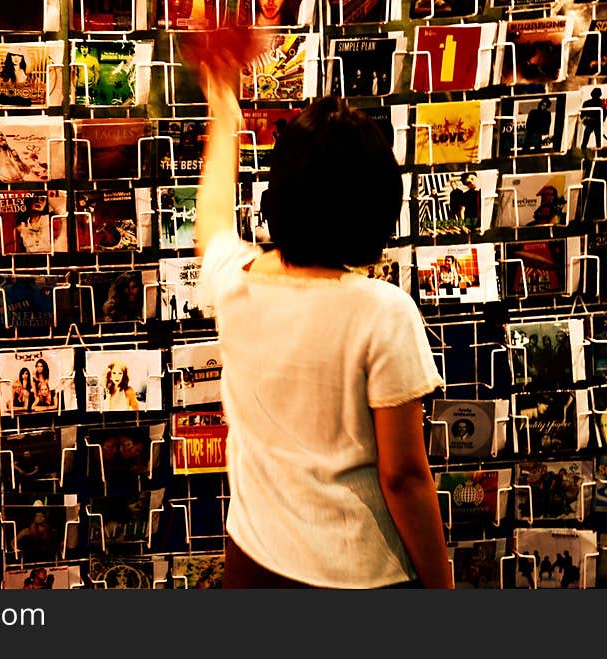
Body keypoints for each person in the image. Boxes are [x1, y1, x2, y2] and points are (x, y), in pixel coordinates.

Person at [192, 38, 451, 589]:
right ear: (376, 208)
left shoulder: (235, 284)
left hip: (253, 562)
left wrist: (225, 108)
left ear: (279, 194)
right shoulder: (383, 313)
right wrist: (442, 586)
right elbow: (404, 477)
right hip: (358, 575)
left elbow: (211, 217)